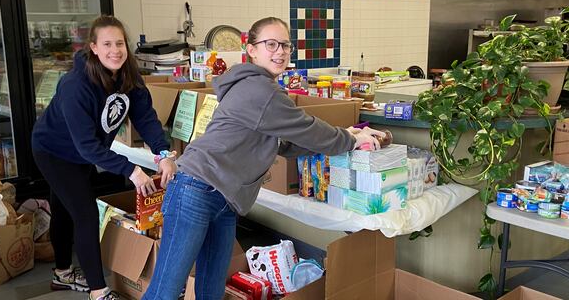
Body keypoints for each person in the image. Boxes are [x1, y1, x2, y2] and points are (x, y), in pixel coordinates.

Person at [142, 17, 386, 300]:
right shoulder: (260, 90)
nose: (280, 51)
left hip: (223, 199)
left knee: (211, 290)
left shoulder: (258, 87)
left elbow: (287, 143)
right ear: (251, 50)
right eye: (270, 44)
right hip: (195, 190)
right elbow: (308, 129)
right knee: (165, 291)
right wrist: (350, 139)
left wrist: (347, 135)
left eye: (285, 45)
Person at [31, 15, 172, 300]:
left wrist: (163, 154)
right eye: (107, 44)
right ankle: (98, 291)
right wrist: (132, 170)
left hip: (82, 153)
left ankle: (61, 274)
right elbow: (87, 146)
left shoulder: (128, 75)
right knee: (85, 213)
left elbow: (145, 117)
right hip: (54, 151)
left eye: (119, 43)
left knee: (64, 208)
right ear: (93, 47)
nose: (115, 51)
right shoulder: (75, 85)